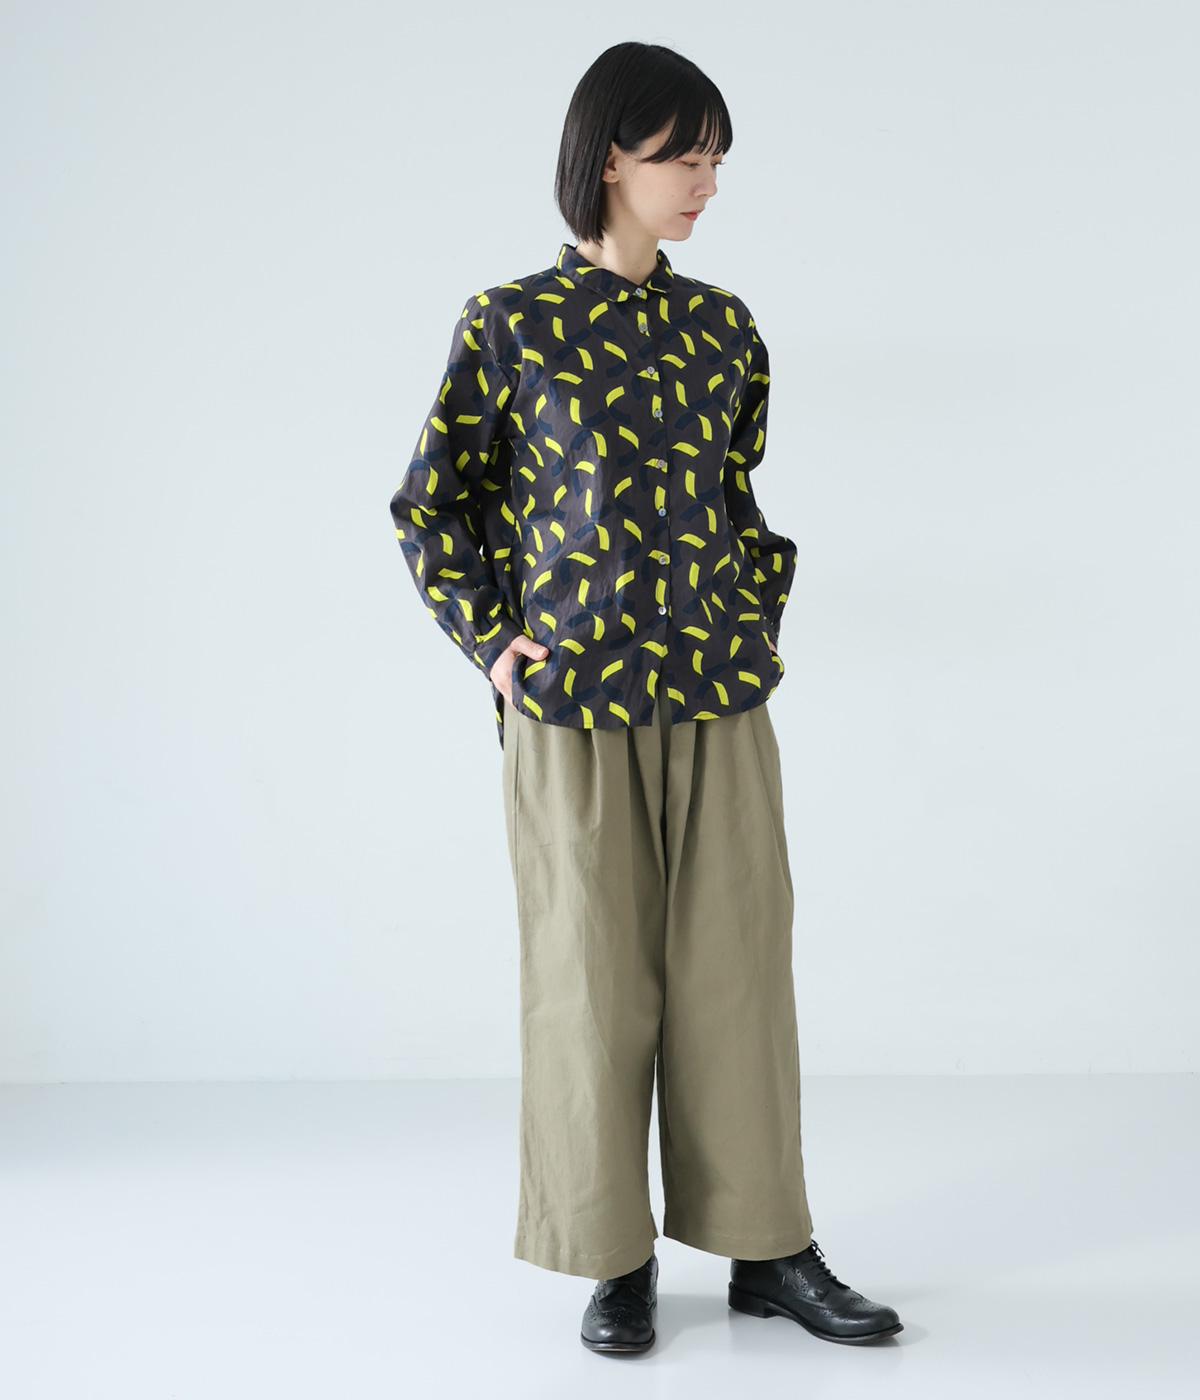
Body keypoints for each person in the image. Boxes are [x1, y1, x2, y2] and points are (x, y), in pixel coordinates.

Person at [388, 40, 903, 1355]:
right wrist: (495, 644)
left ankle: (768, 1249)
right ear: (610, 156)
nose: (707, 181)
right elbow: (433, 504)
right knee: (588, 983)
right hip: (572, 711)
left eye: (717, 157)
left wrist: (754, 616)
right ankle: (611, 1257)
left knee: (741, 975)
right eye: (686, 155)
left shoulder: (725, 327)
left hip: (718, 698)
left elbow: (737, 496)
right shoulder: (510, 323)